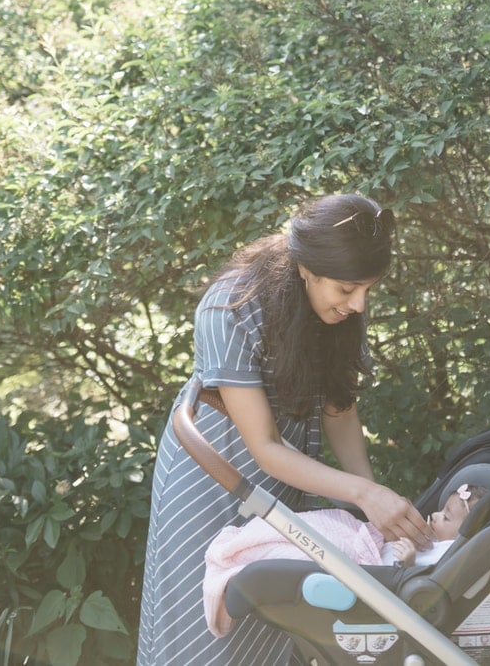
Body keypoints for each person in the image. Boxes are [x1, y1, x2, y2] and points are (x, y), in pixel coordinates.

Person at [138, 194, 431, 665]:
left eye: (367, 290)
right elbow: (265, 447)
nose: (358, 304)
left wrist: (373, 502)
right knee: (205, 629)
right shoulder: (231, 306)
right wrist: (361, 494)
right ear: (306, 269)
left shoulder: (337, 306)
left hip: (285, 477)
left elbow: (339, 410)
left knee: (276, 620)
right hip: (211, 477)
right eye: (348, 289)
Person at [200, 483, 489, 637]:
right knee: (322, 526)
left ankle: (246, 551)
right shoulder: (436, 540)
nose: (435, 515)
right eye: (440, 510)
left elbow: (427, 582)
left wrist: (409, 561)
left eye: (446, 517)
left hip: (377, 574)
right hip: (366, 544)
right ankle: (250, 542)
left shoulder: (449, 552)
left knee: (307, 548)